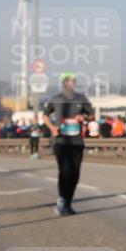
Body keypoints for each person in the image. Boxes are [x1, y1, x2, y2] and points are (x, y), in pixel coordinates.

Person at [44, 72, 95, 216]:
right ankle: (61, 200)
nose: (71, 83)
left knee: (75, 174)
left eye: (73, 80)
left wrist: (83, 117)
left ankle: (67, 202)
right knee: (65, 171)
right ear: (63, 83)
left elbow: (92, 116)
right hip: (61, 141)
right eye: (68, 80)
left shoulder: (81, 98)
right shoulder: (56, 99)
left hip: (77, 142)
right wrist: (52, 128)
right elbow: (45, 115)